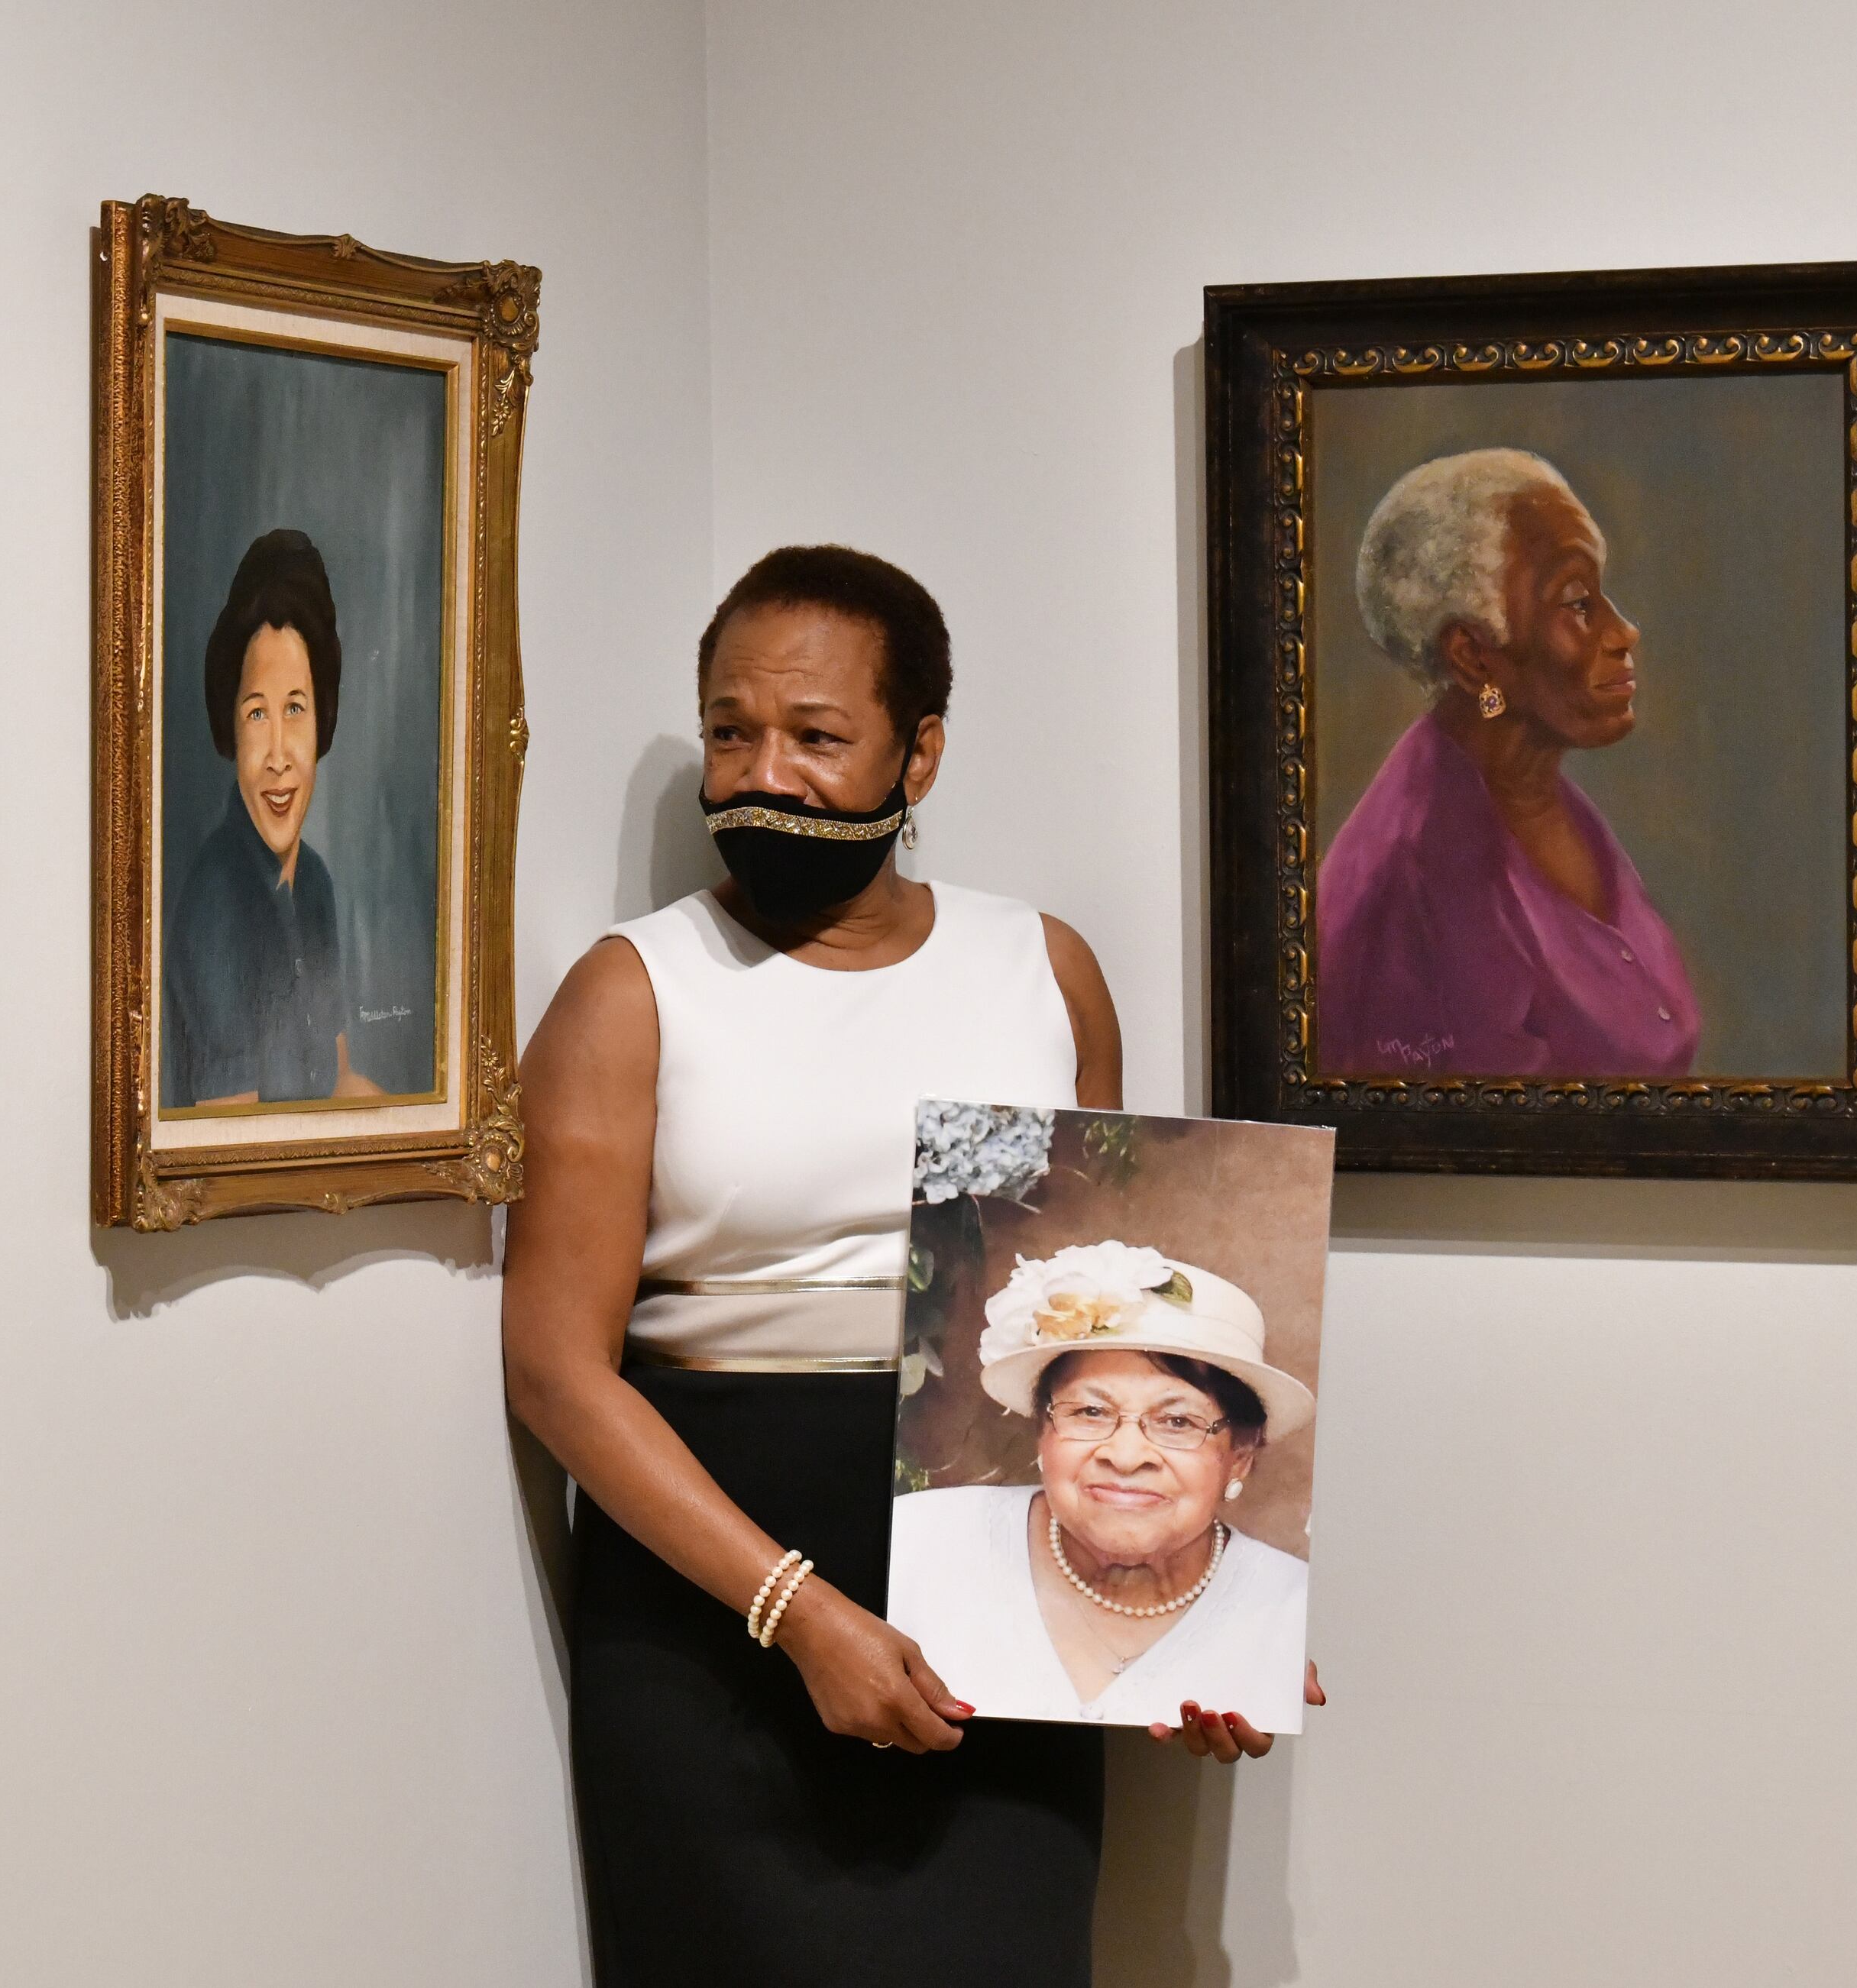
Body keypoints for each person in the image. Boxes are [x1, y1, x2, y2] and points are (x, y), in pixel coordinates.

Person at [502, 545, 1318, 1988]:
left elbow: (1123, 1325)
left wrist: (1200, 1618)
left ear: (918, 749)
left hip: (1001, 1584)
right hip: (716, 1612)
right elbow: (559, 1369)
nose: (765, 774)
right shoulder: (634, 989)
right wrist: (796, 1611)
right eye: (729, 730)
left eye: (818, 736)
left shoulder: (1042, 969)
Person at [1318, 447, 1697, 1078]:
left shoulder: (1545, 803)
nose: (1623, 631)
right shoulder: (1417, 880)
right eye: (1577, 601)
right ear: (1474, 657)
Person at [888, 1244, 1315, 1731]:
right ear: (1043, 1433)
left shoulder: (1294, 1610)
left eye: (1177, 1421)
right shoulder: (917, 1539)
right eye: (1090, 1412)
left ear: (1239, 1457)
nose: (1126, 1456)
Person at [160, 528, 383, 1108]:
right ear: (230, 727)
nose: (280, 754)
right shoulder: (215, 907)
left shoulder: (314, 885)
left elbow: (336, 1086)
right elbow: (236, 1150)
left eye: (295, 709)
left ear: (323, 720)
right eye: (258, 713)